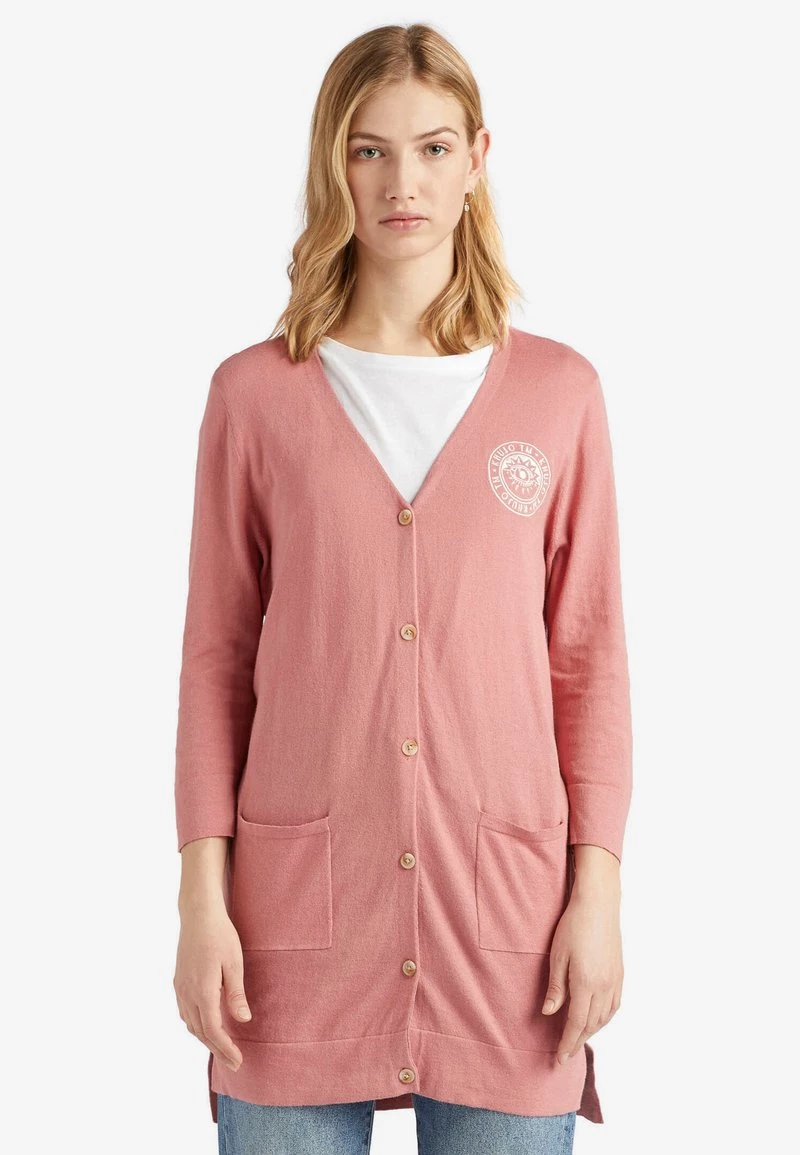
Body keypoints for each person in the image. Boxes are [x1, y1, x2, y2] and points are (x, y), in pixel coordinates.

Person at [173, 22, 632, 1155]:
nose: (401, 183)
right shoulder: (255, 397)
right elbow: (216, 664)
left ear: (477, 157)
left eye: (431, 148)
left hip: (508, 930)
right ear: (332, 162)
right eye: (368, 150)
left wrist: (597, 896)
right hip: (291, 937)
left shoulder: (558, 395)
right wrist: (199, 902)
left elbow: (588, 664)